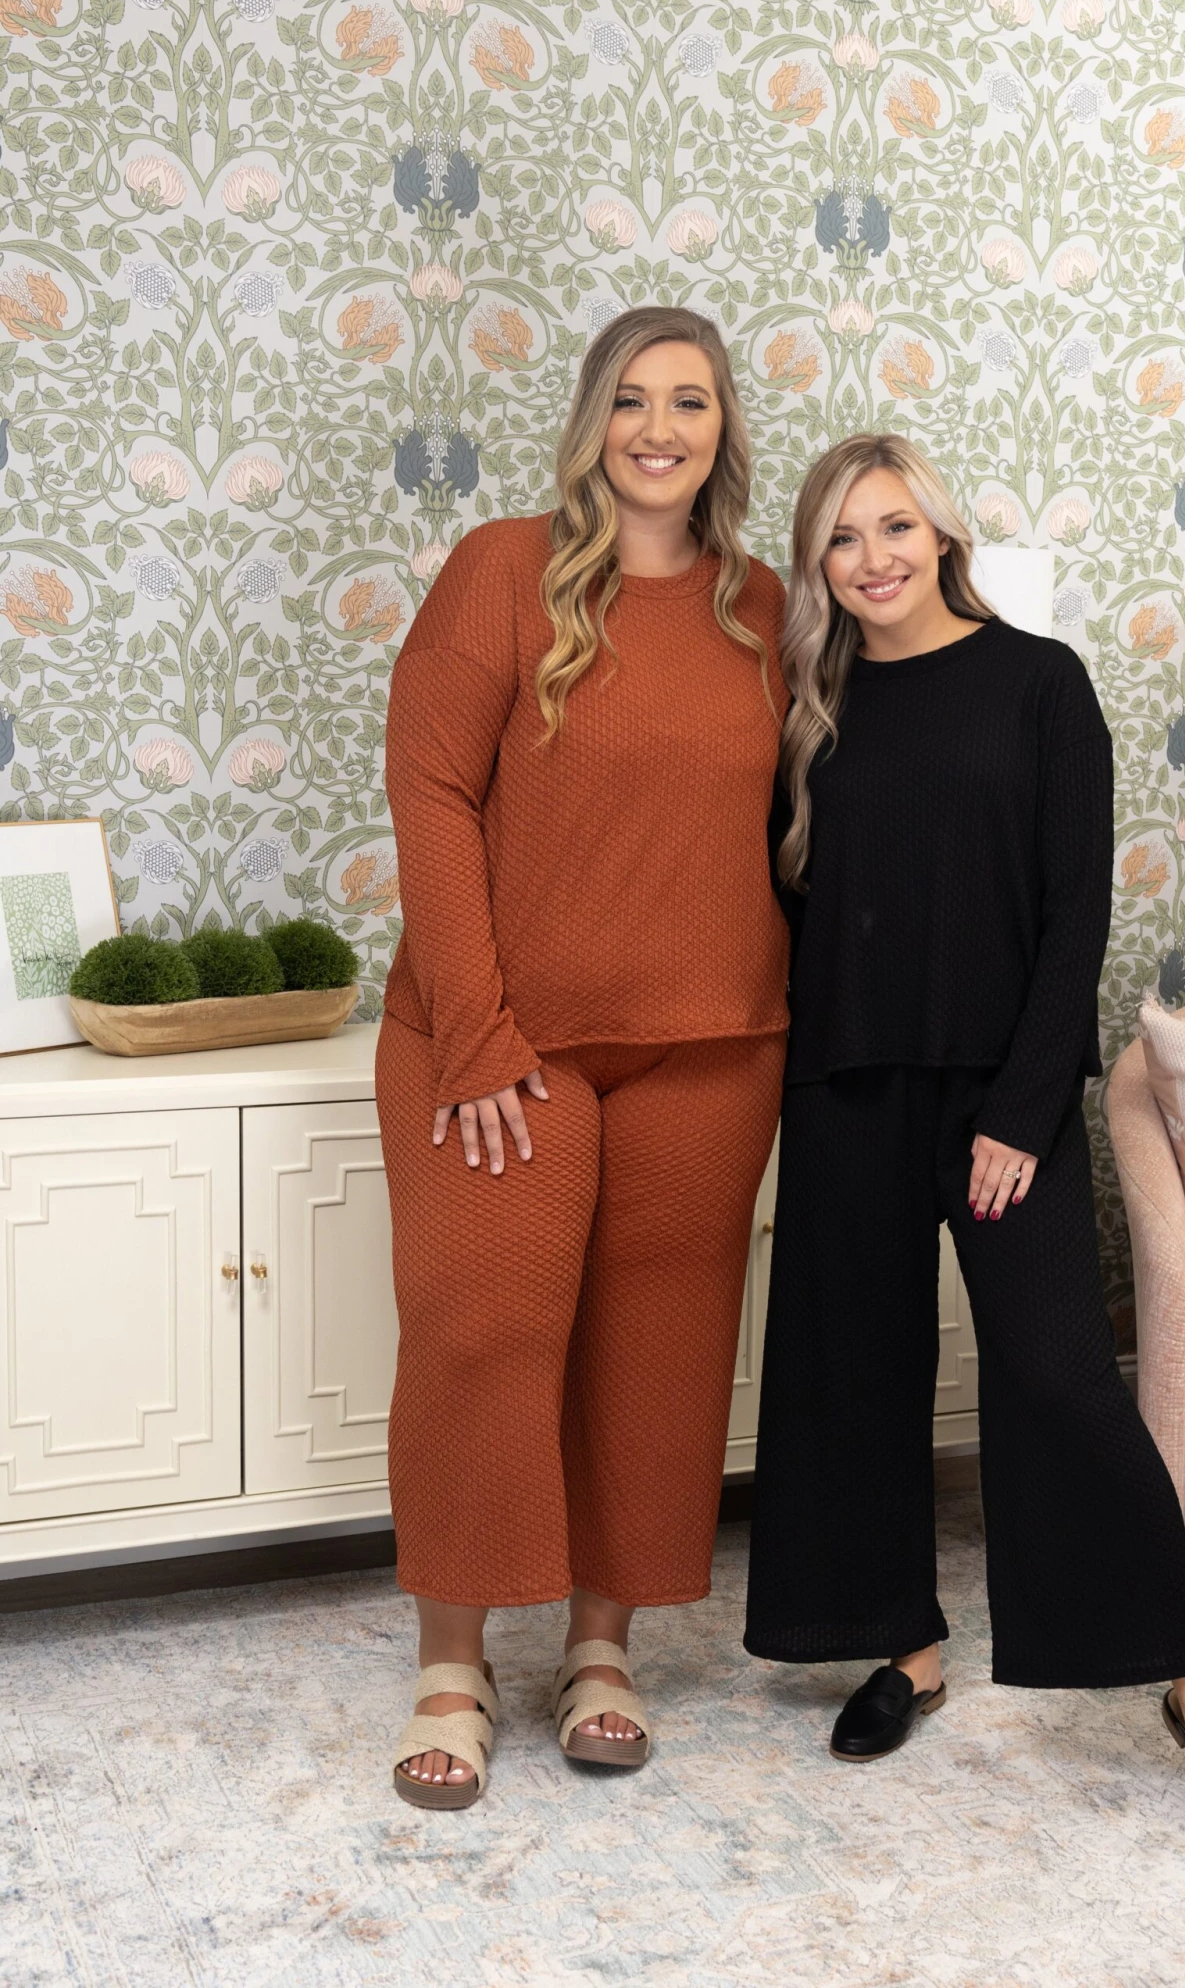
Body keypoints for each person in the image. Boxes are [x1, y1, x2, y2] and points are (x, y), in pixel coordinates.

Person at [743, 433, 1185, 1853]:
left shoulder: (1041, 683)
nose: (872, 558)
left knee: (1057, 1375)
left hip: (1003, 1099)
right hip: (848, 1088)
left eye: (894, 526)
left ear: (943, 535)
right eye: (841, 538)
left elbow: (1072, 914)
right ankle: (908, 1650)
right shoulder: (809, 710)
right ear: (817, 565)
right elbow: (790, 907)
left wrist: (1018, 1109)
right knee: (853, 1377)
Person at [378, 306, 789, 1807]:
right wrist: (476, 1033)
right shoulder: (504, 570)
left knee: (659, 1351)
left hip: (713, 1046)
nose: (658, 429)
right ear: (591, 423)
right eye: (630, 399)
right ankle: (454, 1662)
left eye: (690, 401)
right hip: (506, 1047)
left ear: (724, 430)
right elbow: (429, 789)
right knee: (479, 1335)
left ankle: (600, 1650)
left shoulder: (764, 603)